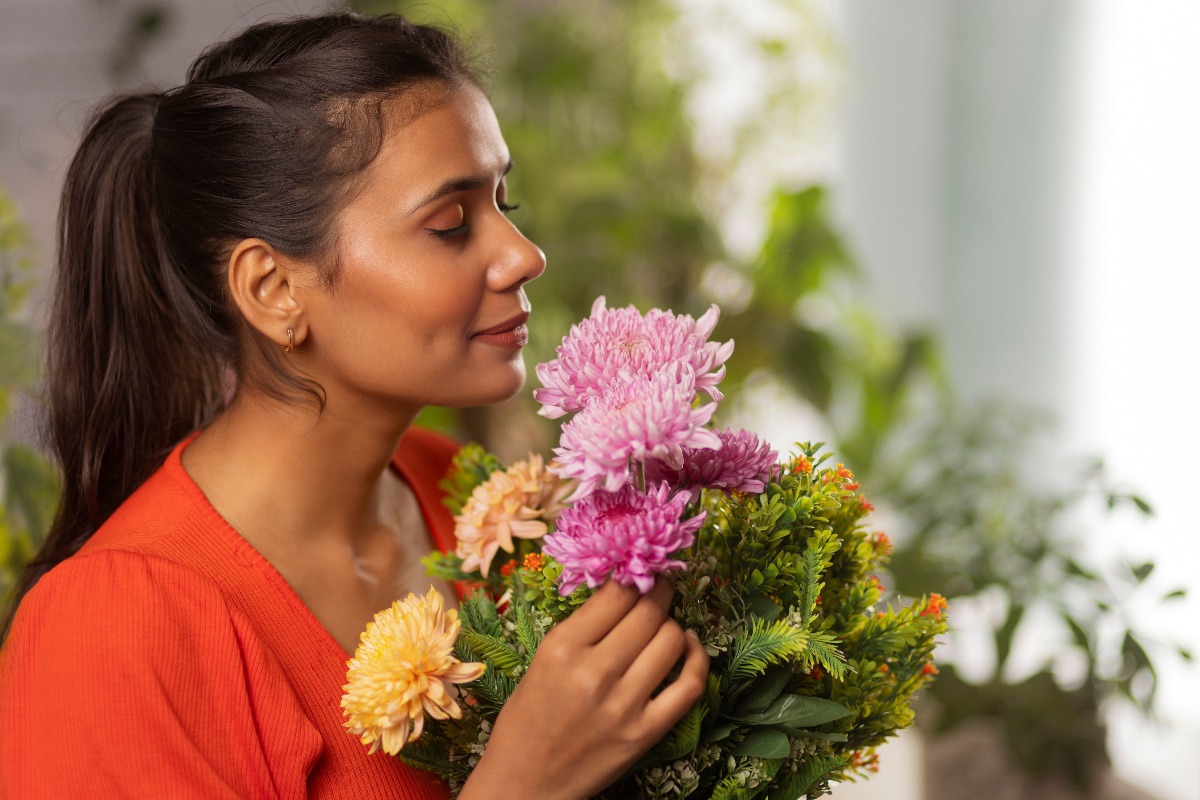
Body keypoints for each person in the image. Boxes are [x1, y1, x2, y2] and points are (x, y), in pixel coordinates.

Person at [0, 12, 708, 799]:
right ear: (273, 289)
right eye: (448, 225)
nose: (523, 255)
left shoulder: (473, 501)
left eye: (505, 202)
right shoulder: (112, 630)